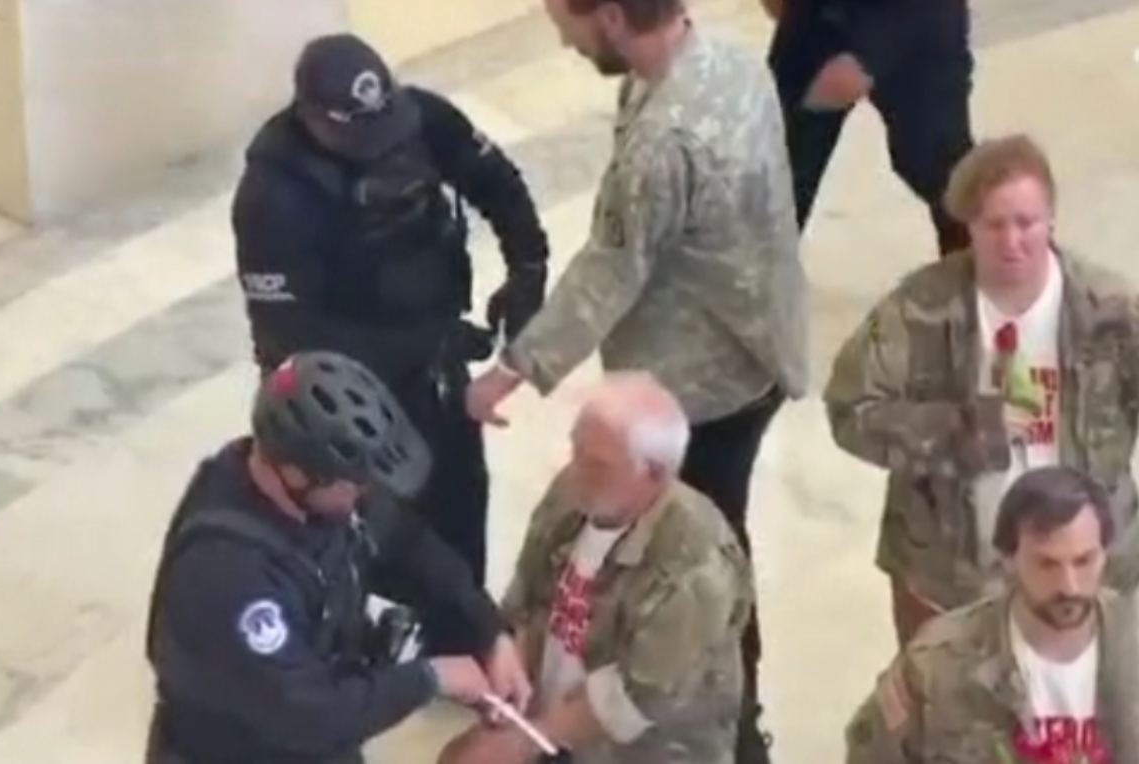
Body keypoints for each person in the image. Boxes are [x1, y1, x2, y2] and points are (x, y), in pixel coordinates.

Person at [464, 2, 806, 758]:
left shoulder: (662, 142)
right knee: (715, 542)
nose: (562, 37)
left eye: (567, 18)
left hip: (697, 387)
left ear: (614, 17)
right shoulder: (733, 63)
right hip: (756, 352)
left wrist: (510, 372)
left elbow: (608, 272)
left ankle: (729, 730)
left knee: (700, 562)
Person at [231, 33, 550, 588]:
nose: (378, 147)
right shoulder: (273, 193)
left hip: (434, 369)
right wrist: (426, 345)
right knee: (370, 550)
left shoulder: (420, 118)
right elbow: (292, 334)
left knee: (458, 520)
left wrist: (528, 269)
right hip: (333, 404)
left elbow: (497, 183)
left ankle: (465, 627)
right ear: (311, 118)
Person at [823, 134, 1139, 647]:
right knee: (944, 697)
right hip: (950, 577)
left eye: (1026, 223)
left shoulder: (1110, 311)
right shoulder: (920, 309)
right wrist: (954, 428)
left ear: (1051, 219)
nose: (1012, 242)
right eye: (994, 225)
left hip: (1086, 574)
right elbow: (850, 410)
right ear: (968, 225)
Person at [143, 351, 531, 764]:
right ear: (295, 473)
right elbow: (308, 714)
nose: (362, 494)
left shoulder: (328, 492)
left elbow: (413, 547)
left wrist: (488, 631)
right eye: (352, 484)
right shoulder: (229, 574)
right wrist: (429, 678)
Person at [439, 372, 752, 764]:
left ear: (654, 473)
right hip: (553, 718)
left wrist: (525, 742)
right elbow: (527, 598)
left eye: (598, 465)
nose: (576, 472)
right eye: (576, 450)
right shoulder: (575, 493)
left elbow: (636, 697)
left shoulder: (695, 565)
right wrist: (508, 697)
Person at [844, 466, 1139, 764]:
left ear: (1105, 554)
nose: (1069, 586)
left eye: (1084, 561)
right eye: (1047, 564)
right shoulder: (937, 667)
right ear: (1008, 560)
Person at [761, 0, 973, 255]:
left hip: (919, 14)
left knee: (939, 165)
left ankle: (981, 259)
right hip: (816, 16)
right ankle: (754, 264)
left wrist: (873, 50)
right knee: (774, 171)